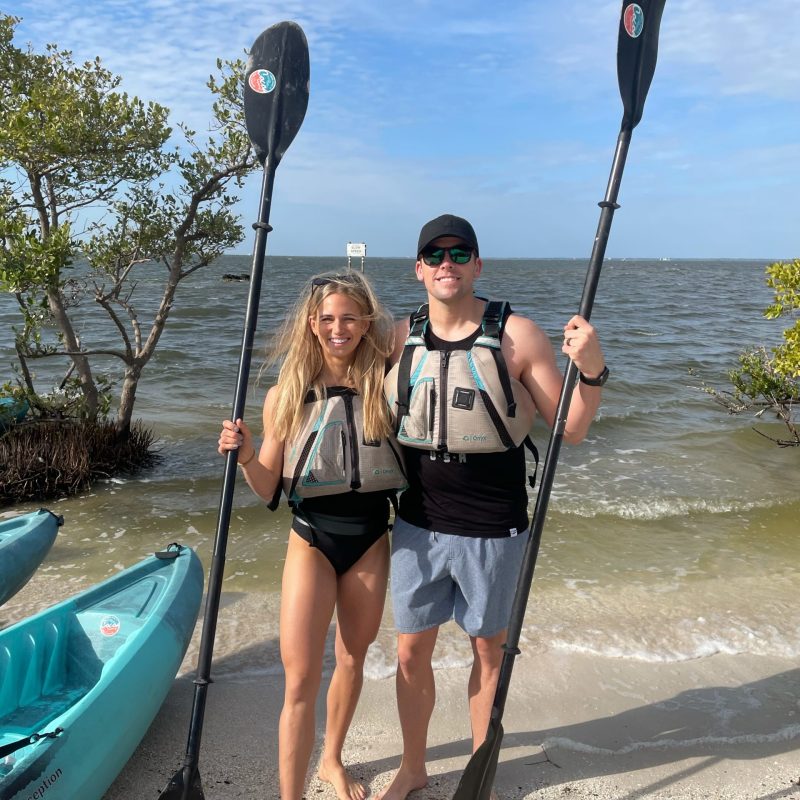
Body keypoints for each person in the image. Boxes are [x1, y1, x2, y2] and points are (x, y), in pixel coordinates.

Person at [378, 214, 608, 799]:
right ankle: (413, 766)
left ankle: (480, 768)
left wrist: (592, 369)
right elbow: (328, 361)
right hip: (416, 522)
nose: (446, 263)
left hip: (494, 522)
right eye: (435, 254)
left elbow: (570, 430)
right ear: (419, 269)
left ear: (478, 264)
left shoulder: (518, 336)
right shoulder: (393, 336)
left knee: (488, 650)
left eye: (460, 253)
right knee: (410, 651)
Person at [218, 271, 406, 800]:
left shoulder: (386, 383)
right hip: (312, 540)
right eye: (327, 318)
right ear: (311, 323)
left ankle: (331, 760)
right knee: (299, 681)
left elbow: (421, 335)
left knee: (353, 658)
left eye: (349, 317)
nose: (338, 328)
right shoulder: (287, 394)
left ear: (366, 322)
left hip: (371, 539)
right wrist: (248, 454)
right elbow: (266, 488)